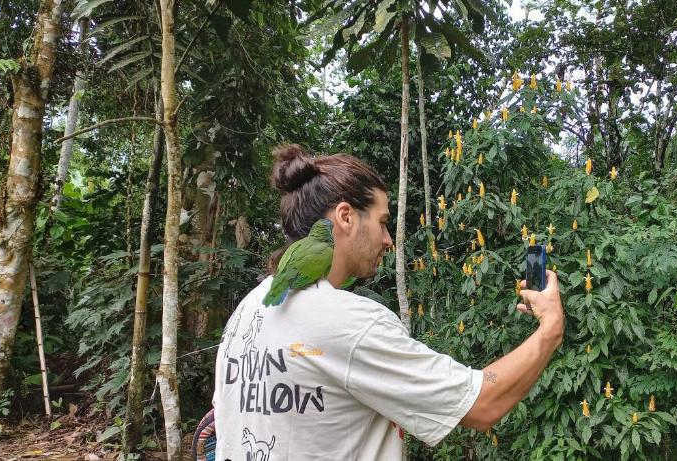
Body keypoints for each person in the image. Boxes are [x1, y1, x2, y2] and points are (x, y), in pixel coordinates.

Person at [212, 144, 564, 460]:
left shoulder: (246, 312)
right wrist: (550, 329)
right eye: (382, 222)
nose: (387, 239)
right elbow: (482, 403)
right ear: (346, 217)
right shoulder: (348, 323)